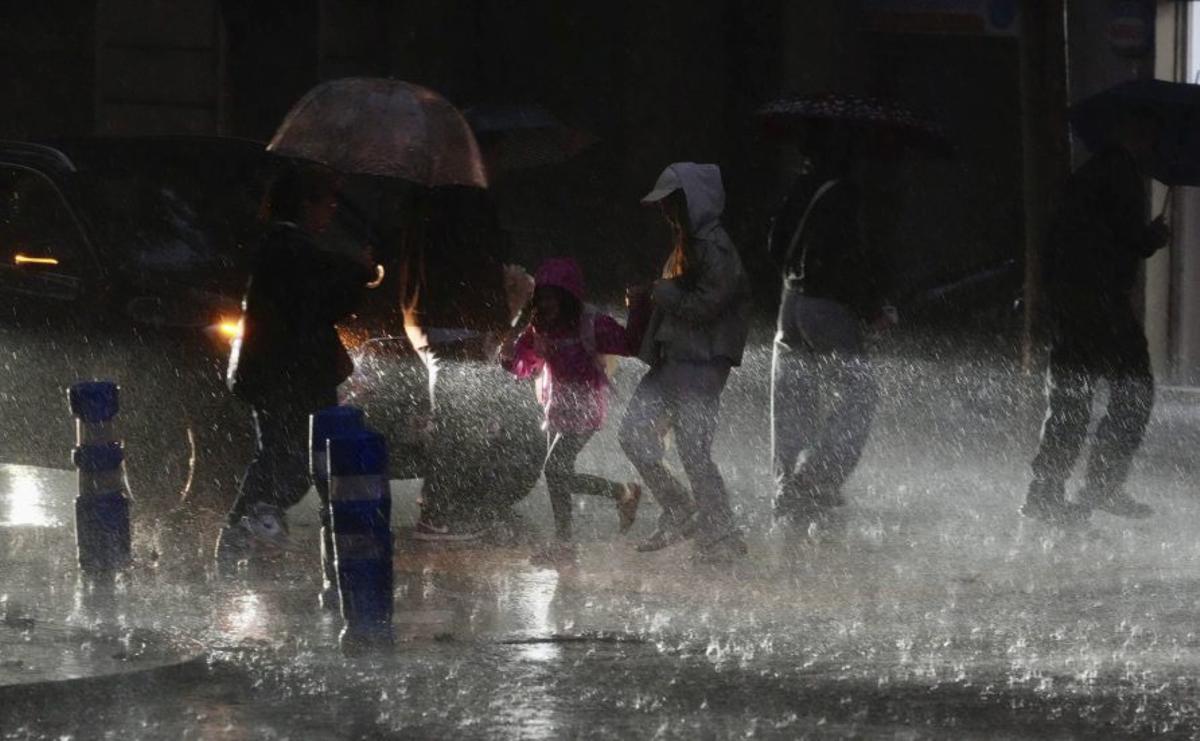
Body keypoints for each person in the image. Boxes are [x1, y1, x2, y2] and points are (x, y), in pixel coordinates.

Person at [216, 164, 378, 573]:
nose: (331, 211)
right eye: (328, 202)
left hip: (282, 373)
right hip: (289, 374)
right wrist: (359, 271)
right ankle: (245, 532)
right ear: (306, 204)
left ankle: (251, 531)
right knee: (287, 458)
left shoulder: (283, 245)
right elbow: (320, 304)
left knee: (286, 456)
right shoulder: (289, 247)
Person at [1023, 109, 1169, 524]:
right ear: (1134, 131)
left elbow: (1066, 239)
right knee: (1134, 391)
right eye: (1151, 131)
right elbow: (1128, 237)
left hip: (1072, 301)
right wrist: (1153, 236)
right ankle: (1101, 485)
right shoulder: (1120, 172)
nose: (1154, 142)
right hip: (1100, 302)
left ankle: (1045, 492)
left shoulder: (1086, 175)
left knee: (1071, 396)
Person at [618, 162, 751, 564]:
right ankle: (680, 508)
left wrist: (661, 293)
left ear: (692, 202)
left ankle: (721, 533)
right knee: (633, 433)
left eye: (671, 202)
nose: (664, 211)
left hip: (703, 363)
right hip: (675, 359)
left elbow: (707, 305)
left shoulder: (715, 248)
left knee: (694, 450)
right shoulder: (688, 243)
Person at [395, 186, 544, 542]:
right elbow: (490, 324)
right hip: (456, 344)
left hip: (447, 339)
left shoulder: (427, 227)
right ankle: (436, 515)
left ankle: (442, 509)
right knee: (458, 433)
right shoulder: (460, 234)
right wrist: (517, 294)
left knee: (460, 430)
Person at [768, 124, 894, 524]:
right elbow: (848, 258)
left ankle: (787, 485)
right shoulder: (842, 192)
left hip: (791, 303)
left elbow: (773, 246)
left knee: (793, 396)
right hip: (827, 306)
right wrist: (872, 305)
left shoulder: (799, 187)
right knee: (861, 393)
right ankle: (817, 478)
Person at [502, 257, 644, 563]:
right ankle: (622, 493)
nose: (548, 304)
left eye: (554, 297)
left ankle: (566, 543)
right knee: (559, 474)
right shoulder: (539, 328)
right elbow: (524, 367)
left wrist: (638, 309)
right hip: (557, 408)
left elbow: (630, 344)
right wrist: (510, 358)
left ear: (568, 298)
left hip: (587, 408)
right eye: (543, 297)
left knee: (555, 469)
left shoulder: (591, 323)